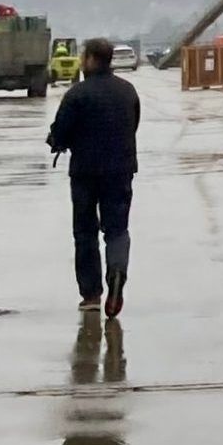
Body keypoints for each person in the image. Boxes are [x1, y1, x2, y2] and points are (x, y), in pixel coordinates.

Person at [47, 38, 141, 317]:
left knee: (85, 232)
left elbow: (61, 131)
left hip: (85, 172)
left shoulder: (77, 94)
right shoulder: (128, 91)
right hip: (121, 170)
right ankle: (117, 274)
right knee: (117, 230)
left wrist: (56, 140)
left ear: (89, 59)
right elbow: (134, 124)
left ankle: (91, 294)